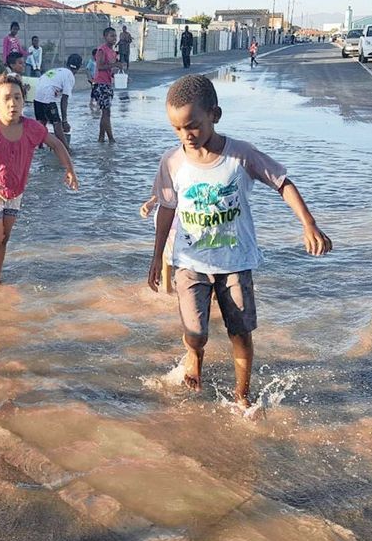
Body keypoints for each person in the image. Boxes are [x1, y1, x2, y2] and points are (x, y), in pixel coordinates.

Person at [147, 74, 332, 408]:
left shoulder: (240, 155)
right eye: (176, 129)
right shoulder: (172, 161)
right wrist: (156, 257)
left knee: (241, 331)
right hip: (190, 263)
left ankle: (242, 395)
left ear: (214, 115)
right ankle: (194, 355)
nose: (185, 136)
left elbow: (282, 183)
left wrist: (309, 224)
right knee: (196, 332)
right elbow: (166, 210)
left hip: (236, 262)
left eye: (193, 125)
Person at [0, 73, 79, 284]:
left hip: (14, 192)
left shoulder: (31, 128)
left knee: (4, 239)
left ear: (23, 101)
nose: (13, 103)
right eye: (7, 98)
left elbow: (56, 144)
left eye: (17, 98)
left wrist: (69, 169)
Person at [34, 53, 83, 146]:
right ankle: (66, 149)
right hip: (47, 95)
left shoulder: (58, 70)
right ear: (79, 66)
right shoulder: (70, 76)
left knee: (41, 122)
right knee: (57, 123)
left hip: (37, 94)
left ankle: (39, 148)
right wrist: (65, 121)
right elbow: (64, 100)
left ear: (67, 63)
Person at [94, 28, 122, 143]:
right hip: (101, 84)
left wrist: (119, 75)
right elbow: (100, 67)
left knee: (106, 112)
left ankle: (101, 138)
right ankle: (110, 138)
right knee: (106, 112)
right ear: (105, 37)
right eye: (111, 36)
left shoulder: (113, 52)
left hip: (108, 83)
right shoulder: (102, 50)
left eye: (115, 36)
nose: (114, 38)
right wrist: (114, 64)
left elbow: (110, 70)